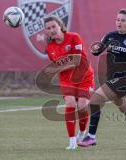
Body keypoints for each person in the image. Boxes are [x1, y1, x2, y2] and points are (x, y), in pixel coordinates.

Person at [78, 8, 126, 149]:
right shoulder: (110, 36)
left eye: (122, 20)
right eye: (117, 20)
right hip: (111, 80)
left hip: (124, 81)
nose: (119, 22)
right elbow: (98, 51)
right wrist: (95, 49)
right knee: (125, 108)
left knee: (95, 100)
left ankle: (91, 137)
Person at [44, 15, 95, 150]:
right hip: (67, 79)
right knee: (71, 103)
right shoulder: (49, 47)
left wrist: (56, 68)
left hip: (84, 75)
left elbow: (77, 61)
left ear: (60, 26)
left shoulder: (74, 37)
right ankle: (72, 141)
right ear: (46, 32)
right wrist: (57, 68)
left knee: (83, 106)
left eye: (54, 26)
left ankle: (82, 133)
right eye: (48, 28)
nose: (52, 30)